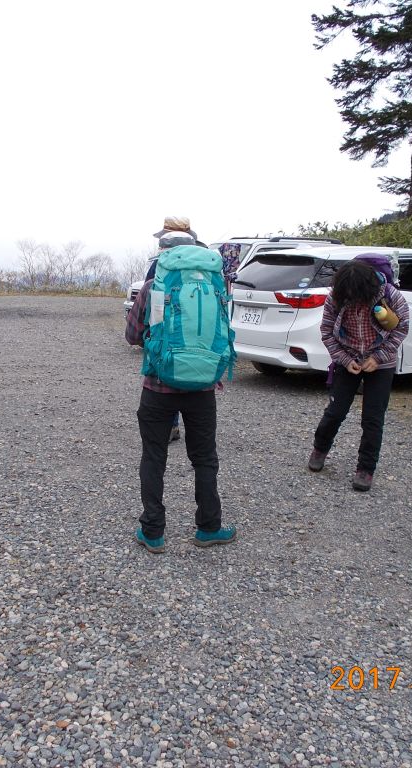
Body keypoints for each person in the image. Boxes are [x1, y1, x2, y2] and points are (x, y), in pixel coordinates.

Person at [125, 230, 236, 553]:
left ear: (166, 256)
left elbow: (132, 335)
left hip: (158, 386)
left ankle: (153, 532)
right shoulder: (214, 286)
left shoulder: (152, 288)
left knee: (154, 456)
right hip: (202, 386)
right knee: (204, 458)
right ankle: (209, 527)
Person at [307, 257, 409, 491]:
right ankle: (319, 449)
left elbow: (401, 328)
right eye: (348, 296)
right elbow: (326, 331)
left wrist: (378, 358)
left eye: (357, 296)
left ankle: (366, 469)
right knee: (335, 411)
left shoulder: (391, 296)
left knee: (373, 419)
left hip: (380, 363)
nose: (352, 300)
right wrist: (345, 359)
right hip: (348, 358)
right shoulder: (336, 296)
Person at [149, 216, 202, 443]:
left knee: (167, 369)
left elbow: (151, 299)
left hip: (169, 330)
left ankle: (170, 425)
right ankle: (195, 425)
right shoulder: (205, 260)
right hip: (200, 335)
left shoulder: (162, 262)